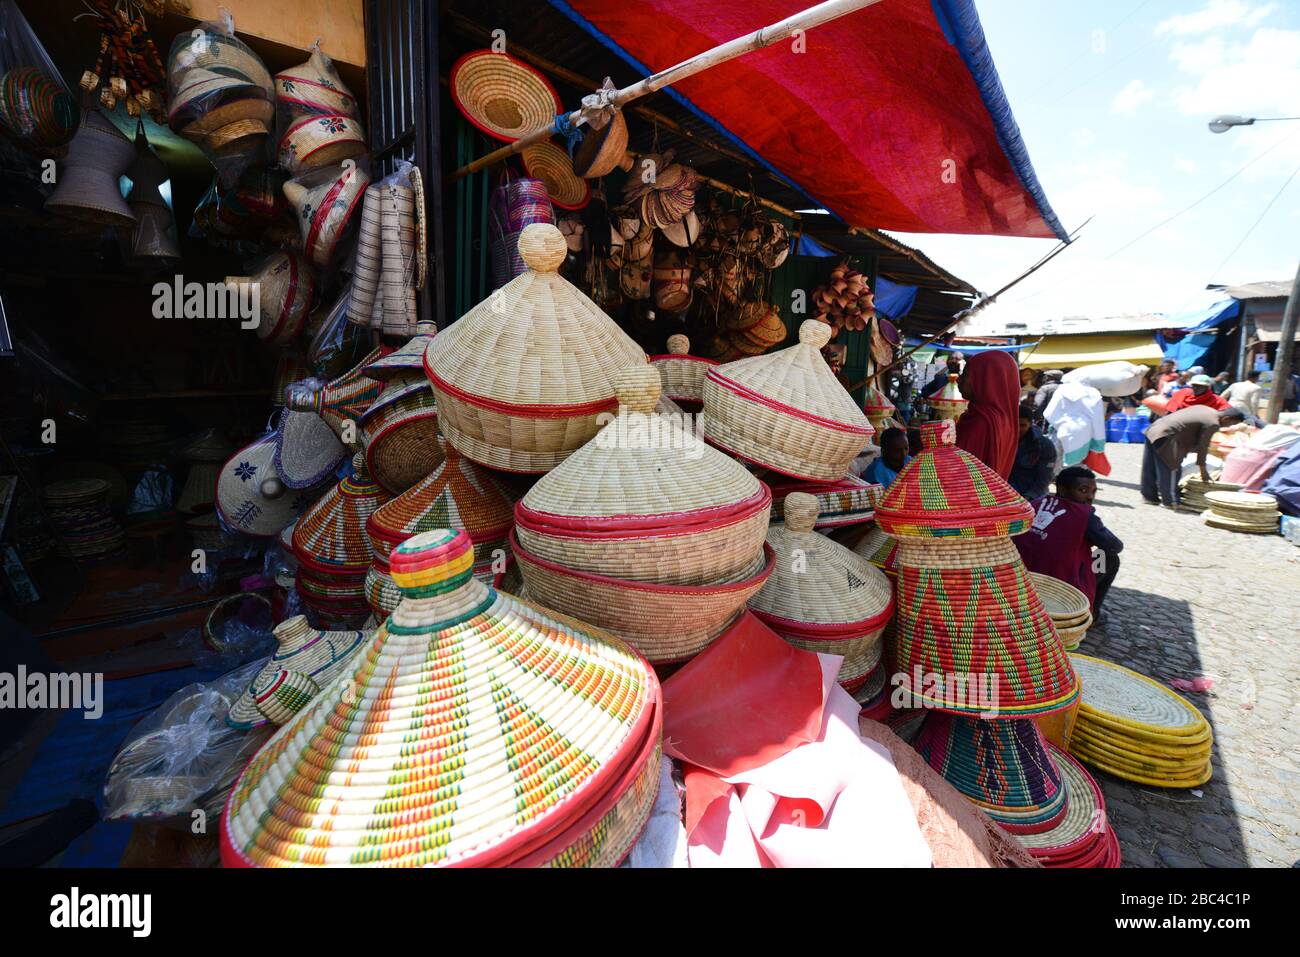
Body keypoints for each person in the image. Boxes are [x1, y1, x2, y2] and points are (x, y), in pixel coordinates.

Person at [1014, 466, 1123, 617]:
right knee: (1108, 557)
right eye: (1083, 490)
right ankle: (1091, 614)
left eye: (1094, 492)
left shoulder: (1036, 503)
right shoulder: (1084, 515)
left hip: (1019, 579)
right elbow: (1114, 546)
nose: (1090, 497)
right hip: (1060, 584)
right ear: (1063, 490)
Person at [1141, 405, 1246, 507]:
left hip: (1154, 429)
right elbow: (1203, 447)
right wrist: (1203, 470)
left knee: (1150, 466)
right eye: (1231, 423)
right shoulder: (1213, 423)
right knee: (1172, 469)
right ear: (1226, 418)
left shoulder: (1206, 409)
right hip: (1167, 434)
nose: (1228, 427)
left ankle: (1150, 497)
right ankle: (1170, 501)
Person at [955, 350, 1021, 478]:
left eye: (966, 374)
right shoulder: (1004, 418)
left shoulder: (981, 421)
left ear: (985, 380)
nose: (959, 380)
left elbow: (959, 472)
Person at [1009, 403, 1056, 501]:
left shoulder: (1045, 446)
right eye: (1015, 424)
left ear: (1030, 424)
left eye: (1022, 425)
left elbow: (1044, 478)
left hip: (1030, 494)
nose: (1018, 429)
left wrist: (1028, 496)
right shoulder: (1001, 439)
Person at [1165, 373, 1230, 413]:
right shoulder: (1182, 393)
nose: (1196, 388)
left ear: (1207, 387)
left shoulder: (1217, 400)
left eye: (1200, 386)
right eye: (1194, 385)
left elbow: (1228, 411)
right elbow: (1170, 411)